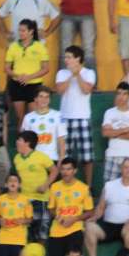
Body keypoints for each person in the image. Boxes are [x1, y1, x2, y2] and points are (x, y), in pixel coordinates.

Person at [85, 158, 129, 256]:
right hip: (109, 225)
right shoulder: (109, 185)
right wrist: (95, 217)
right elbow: (101, 207)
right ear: (121, 169)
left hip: (128, 225)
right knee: (89, 226)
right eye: (126, 167)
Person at [55, 46, 96, 185]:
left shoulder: (89, 73)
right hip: (65, 118)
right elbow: (60, 90)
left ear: (78, 58)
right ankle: (63, 185)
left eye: (69, 57)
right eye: (65, 57)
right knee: (64, 156)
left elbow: (86, 90)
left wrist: (77, 75)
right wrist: (71, 76)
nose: (66, 60)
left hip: (83, 117)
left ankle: (89, 186)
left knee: (87, 157)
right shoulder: (61, 73)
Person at [46, 157, 93, 256]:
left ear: (75, 170)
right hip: (56, 230)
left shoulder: (83, 188)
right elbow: (51, 208)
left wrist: (74, 219)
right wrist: (58, 217)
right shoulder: (54, 187)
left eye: (68, 169)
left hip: (75, 230)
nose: (65, 172)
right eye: (63, 169)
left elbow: (90, 211)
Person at [14, 130, 58, 243]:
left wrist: (45, 185)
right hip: (24, 201)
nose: (17, 142)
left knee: (41, 235)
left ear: (27, 143)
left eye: (19, 140)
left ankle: (39, 255)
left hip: (41, 200)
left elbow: (54, 170)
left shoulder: (41, 157)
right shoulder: (16, 158)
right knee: (25, 235)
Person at [4, 19, 51, 122]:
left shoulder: (40, 47)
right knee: (20, 118)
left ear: (31, 31)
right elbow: (7, 68)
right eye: (19, 30)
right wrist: (18, 76)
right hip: (17, 84)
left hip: (34, 85)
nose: (20, 33)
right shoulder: (13, 46)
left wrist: (29, 77)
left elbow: (46, 68)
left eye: (23, 31)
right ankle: (20, 133)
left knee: (32, 118)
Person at [101, 82, 129, 178]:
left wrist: (114, 133)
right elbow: (105, 133)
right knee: (110, 186)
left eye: (124, 94)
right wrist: (124, 130)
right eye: (119, 93)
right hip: (112, 155)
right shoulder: (109, 112)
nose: (121, 97)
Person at [0, 173, 33, 256]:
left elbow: (30, 219)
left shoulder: (25, 199)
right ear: (6, 184)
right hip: (3, 238)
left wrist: (23, 221)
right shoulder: (0, 199)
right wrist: (0, 220)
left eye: (15, 181)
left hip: (19, 239)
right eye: (10, 181)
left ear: (19, 185)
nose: (13, 183)